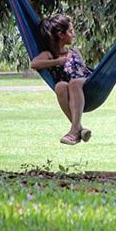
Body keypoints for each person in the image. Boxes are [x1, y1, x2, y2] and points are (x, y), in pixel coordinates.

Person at [30, 14, 92, 145]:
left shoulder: (75, 51)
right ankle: (78, 129)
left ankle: (74, 131)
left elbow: (84, 70)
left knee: (74, 83)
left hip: (86, 85)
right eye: (70, 31)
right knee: (60, 86)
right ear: (61, 34)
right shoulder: (49, 55)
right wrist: (57, 61)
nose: (74, 34)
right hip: (70, 90)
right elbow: (34, 64)